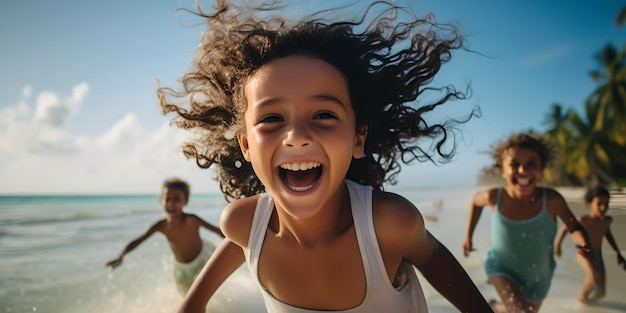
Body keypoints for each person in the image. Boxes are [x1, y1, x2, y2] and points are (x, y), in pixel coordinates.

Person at [159, 1, 493, 312]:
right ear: (246, 145)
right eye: (272, 118)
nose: (297, 137)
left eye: (323, 115)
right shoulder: (242, 225)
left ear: (358, 138)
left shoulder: (390, 225)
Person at [462, 133, 593, 313]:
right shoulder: (494, 197)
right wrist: (468, 237)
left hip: (539, 277)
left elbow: (574, 226)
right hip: (501, 268)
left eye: (531, 164)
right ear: (502, 170)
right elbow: (476, 203)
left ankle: (495, 308)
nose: (523, 171)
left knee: (522, 311)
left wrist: (583, 242)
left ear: (542, 168)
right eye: (514, 164)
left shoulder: (552, 200)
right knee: (519, 311)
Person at [105, 177, 224, 294]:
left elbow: (217, 231)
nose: (171, 203)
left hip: (203, 260)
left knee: (202, 295)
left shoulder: (191, 220)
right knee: (186, 299)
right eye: (167, 199)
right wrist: (121, 256)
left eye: (176, 199)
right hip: (181, 269)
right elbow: (138, 240)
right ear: (161, 201)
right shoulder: (161, 226)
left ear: (185, 201)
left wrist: (239, 242)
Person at [554, 185, 626, 304]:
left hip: (598, 255)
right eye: (599, 204)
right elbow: (565, 228)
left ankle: (588, 305)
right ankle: (580, 302)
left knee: (601, 291)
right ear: (589, 204)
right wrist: (558, 246)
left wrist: (617, 253)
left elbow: (607, 235)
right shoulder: (583, 220)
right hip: (582, 252)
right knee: (592, 280)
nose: (603, 208)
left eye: (606, 204)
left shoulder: (607, 221)